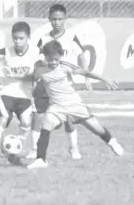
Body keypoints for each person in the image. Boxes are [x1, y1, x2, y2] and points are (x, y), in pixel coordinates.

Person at [26, 40, 124, 169]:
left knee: (97, 128)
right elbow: (32, 78)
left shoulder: (65, 66)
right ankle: (41, 159)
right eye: (50, 59)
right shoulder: (40, 70)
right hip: (56, 107)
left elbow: (85, 72)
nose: (53, 62)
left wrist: (104, 79)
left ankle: (111, 141)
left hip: (74, 104)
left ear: (60, 56)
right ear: (45, 57)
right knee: (46, 125)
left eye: (56, 59)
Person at [30, 4, 91, 160]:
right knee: (38, 115)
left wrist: (86, 78)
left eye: (60, 19)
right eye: (54, 19)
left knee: (69, 118)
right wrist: (36, 79)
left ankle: (73, 148)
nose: (56, 22)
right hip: (47, 82)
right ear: (49, 19)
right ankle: (34, 148)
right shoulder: (44, 38)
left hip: (64, 83)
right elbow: (37, 60)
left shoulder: (71, 36)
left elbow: (82, 55)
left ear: (65, 19)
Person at [0, 21, 39, 161]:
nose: (17, 41)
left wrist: (35, 76)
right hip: (7, 93)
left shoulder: (36, 52)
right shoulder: (6, 51)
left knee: (26, 122)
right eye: (15, 38)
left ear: (28, 37)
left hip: (26, 95)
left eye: (21, 38)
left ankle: (15, 147)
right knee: (2, 120)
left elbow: (43, 68)